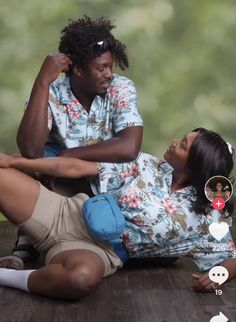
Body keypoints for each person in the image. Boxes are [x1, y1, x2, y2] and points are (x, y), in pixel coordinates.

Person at [0, 128, 235, 300]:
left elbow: (231, 258)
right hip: (66, 213)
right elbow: (74, 167)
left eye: (183, 144)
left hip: (100, 251)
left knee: (79, 279)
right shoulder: (145, 164)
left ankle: (6, 276)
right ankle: (30, 239)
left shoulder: (206, 221)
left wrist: (220, 274)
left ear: (193, 166)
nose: (175, 141)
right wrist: (13, 161)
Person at [13, 16, 143, 262]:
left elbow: (129, 147)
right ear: (78, 70)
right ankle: (28, 242)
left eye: (110, 66)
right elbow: (29, 148)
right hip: (59, 185)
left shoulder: (121, 88)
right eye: (101, 68)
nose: (109, 74)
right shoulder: (51, 92)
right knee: (25, 166)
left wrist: (67, 157)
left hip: (103, 183)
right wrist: (42, 82)